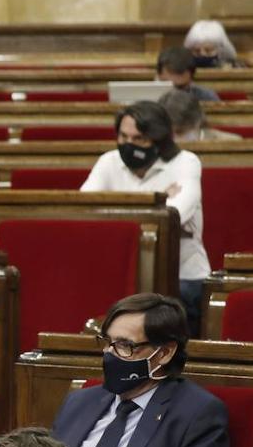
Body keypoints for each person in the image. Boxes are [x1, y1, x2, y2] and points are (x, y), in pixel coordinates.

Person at [50, 293, 229, 447]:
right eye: (107, 342)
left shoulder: (196, 414)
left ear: (164, 353)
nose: (109, 353)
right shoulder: (79, 402)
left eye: (124, 345)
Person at [80, 101, 209, 333]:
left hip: (182, 277)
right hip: (119, 271)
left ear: (158, 140)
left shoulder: (186, 162)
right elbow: (84, 211)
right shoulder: (109, 161)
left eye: (138, 139)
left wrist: (117, 210)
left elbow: (174, 215)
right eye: (123, 137)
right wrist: (154, 199)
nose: (129, 145)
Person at [159, 88, 241, 142]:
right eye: (170, 133)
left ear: (196, 122)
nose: (176, 140)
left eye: (180, 132)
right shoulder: (153, 146)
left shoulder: (230, 142)